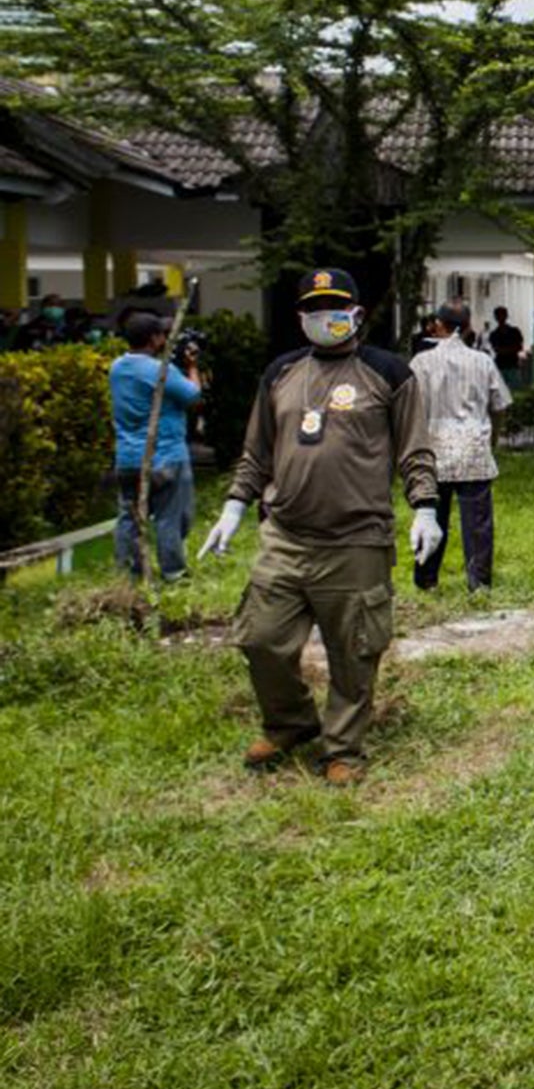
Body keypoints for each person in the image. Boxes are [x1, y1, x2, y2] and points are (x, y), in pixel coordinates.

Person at [198, 268, 441, 785]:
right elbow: (256, 451)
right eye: (313, 309)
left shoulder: (389, 374)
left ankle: (343, 749)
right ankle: (290, 722)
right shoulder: (280, 374)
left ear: (356, 314)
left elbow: (414, 449)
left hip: (356, 541)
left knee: (354, 651)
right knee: (260, 636)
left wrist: (425, 507)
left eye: (334, 308)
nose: (323, 318)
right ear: (301, 317)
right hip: (285, 536)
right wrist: (233, 507)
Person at [410, 301, 513, 592]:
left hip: (433, 450)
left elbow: (409, 408)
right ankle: (478, 583)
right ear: (468, 327)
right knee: (477, 524)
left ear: (438, 326)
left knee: (430, 517)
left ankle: (425, 580)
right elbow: (500, 404)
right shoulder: (482, 362)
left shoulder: (421, 363)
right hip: (474, 451)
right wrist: (492, 439)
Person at [108, 310, 203, 582]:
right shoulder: (161, 370)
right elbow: (194, 397)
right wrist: (193, 367)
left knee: (129, 517)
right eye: (161, 334)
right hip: (165, 456)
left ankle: (127, 574)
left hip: (127, 459)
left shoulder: (116, 368)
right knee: (170, 515)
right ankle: (173, 571)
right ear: (154, 338)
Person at [487, 305, 524, 381]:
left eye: (502, 315)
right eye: (498, 315)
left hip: (512, 365)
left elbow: (519, 347)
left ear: (506, 316)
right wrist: (511, 349)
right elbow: (496, 349)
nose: (501, 317)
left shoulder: (514, 331)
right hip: (502, 366)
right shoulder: (494, 334)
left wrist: (504, 350)